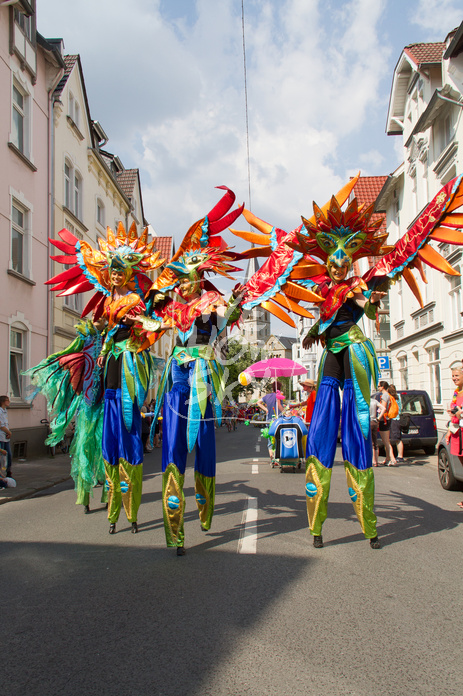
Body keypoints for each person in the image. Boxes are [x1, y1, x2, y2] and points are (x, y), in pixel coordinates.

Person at [445, 365, 463, 508]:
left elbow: (460, 413)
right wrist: (450, 431)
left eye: (457, 375)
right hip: (458, 432)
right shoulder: (457, 392)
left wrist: (459, 414)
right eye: (453, 376)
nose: (454, 378)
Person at [377, 381, 398, 467]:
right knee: (386, 441)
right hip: (386, 419)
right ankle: (387, 459)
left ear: (382, 387)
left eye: (378, 386)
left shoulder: (385, 395)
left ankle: (393, 459)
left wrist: (378, 418)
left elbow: (383, 409)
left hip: (384, 420)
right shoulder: (387, 395)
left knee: (386, 441)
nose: (378, 388)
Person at [388, 384, 405, 463]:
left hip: (393, 418)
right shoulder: (398, 396)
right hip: (398, 418)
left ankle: (399, 456)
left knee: (396, 438)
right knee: (398, 438)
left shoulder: (391, 397)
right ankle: (399, 455)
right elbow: (400, 408)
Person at [370, 395, 386, 467]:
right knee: (375, 442)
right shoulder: (374, 401)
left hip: (367, 422)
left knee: (367, 442)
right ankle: (375, 461)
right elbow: (383, 408)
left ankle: (369, 460)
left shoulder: (363, 401)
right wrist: (378, 418)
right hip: (374, 421)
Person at [0, 396, 12, 478]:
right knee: (2, 456)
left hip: (5, 437)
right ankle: (1, 473)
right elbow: (1, 426)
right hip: (1, 436)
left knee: (9, 455)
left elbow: (6, 424)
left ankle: (8, 471)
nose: (9, 402)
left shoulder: (5, 411)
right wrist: (9, 432)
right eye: (7, 400)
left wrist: (8, 432)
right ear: (3, 401)